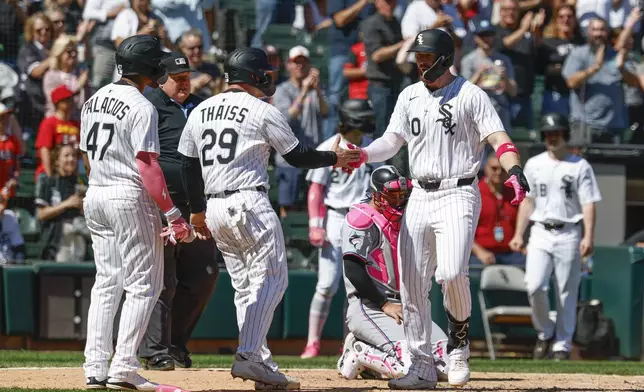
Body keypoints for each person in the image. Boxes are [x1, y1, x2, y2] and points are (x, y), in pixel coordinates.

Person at [346, 29, 530, 389]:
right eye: (418, 56)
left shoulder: (471, 94)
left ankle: (458, 345)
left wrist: (515, 169)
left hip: (458, 191)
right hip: (420, 193)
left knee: (450, 272)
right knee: (412, 286)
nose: (420, 62)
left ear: (444, 58)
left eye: (426, 57)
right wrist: (365, 154)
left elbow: (498, 138)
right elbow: (391, 141)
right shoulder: (409, 95)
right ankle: (420, 366)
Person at [177, 47, 360, 389]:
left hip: (214, 207)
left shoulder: (200, 110)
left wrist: (197, 211)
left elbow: (188, 164)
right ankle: (249, 356)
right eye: (264, 72)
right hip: (248, 201)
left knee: (246, 287)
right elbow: (297, 156)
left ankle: (257, 358)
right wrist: (335, 158)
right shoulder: (261, 110)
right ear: (254, 75)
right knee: (273, 280)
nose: (268, 77)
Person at [81, 35, 193, 391]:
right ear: (149, 67)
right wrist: (174, 214)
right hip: (128, 195)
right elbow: (147, 167)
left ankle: (96, 366)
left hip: (96, 192)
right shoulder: (142, 105)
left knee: (107, 282)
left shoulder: (94, 98)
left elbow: (86, 154)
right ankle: (124, 367)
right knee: (145, 284)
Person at [138, 52, 220, 371]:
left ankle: (175, 344)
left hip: (196, 206)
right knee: (164, 279)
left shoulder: (201, 106)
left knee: (204, 275)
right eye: (178, 78)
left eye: (187, 77)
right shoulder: (150, 106)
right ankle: (154, 349)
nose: (185, 82)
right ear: (162, 79)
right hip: (162, 204)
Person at [337, 165, 451, 381]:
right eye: (392, 195)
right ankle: (358, 350)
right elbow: (353, 270)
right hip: (371, 306)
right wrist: (385, 305)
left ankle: (372, 362)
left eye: (402, 195)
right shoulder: (361, 218)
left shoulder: (408, 218)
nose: (398, 200)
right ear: (376, 195)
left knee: (445, 365)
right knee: (407, 368)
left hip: (407, 307)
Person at [509, 113, 602, 361]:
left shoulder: (580, 165)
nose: (552, 137)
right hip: (539, 230)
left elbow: (589, 203)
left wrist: (588, 236)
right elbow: (527, 202)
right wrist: (519, 233)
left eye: (556, 133)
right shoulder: (534, 164)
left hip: (569, 231)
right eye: (548, 133)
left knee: (566, 291)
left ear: (565, 135)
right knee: (534, 285)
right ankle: (545, 333)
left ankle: (562, 343)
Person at [301, 99, 376, 359]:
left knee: (355, 288)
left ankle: (350, 345)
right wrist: (315, 225)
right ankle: (312, 343)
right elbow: (316, 189)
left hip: (363, 218)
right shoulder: (329, 146)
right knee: (326, 285)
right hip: (335, 217)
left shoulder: (371, 148)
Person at [35, 144, 89, 262]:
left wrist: (82, 207)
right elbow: (41, 214)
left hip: (79, 237)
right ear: (57, 160)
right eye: (66, 156)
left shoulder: (80, 182)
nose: (71, 159)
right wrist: (66, 204)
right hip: (57, 240)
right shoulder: (47, 181)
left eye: (74, 156)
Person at [470, 152, 525, 266]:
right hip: (481, 253)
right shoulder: (475, 192)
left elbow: (525, 222)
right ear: (486, 168)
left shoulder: (515, 193)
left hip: (511, 252)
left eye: (503, 169)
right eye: (494, 168)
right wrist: (479, 251)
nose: (498, 173)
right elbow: (463, 231)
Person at [35, 85, 80, 179]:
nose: (72, 101)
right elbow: (44, 150)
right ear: (58, 103)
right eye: (68, 99)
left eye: (72, 98)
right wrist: (49, 176)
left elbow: (78, 153)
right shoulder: (49, 123)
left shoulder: (76, 124)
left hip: (69, 176)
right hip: (51, 173)